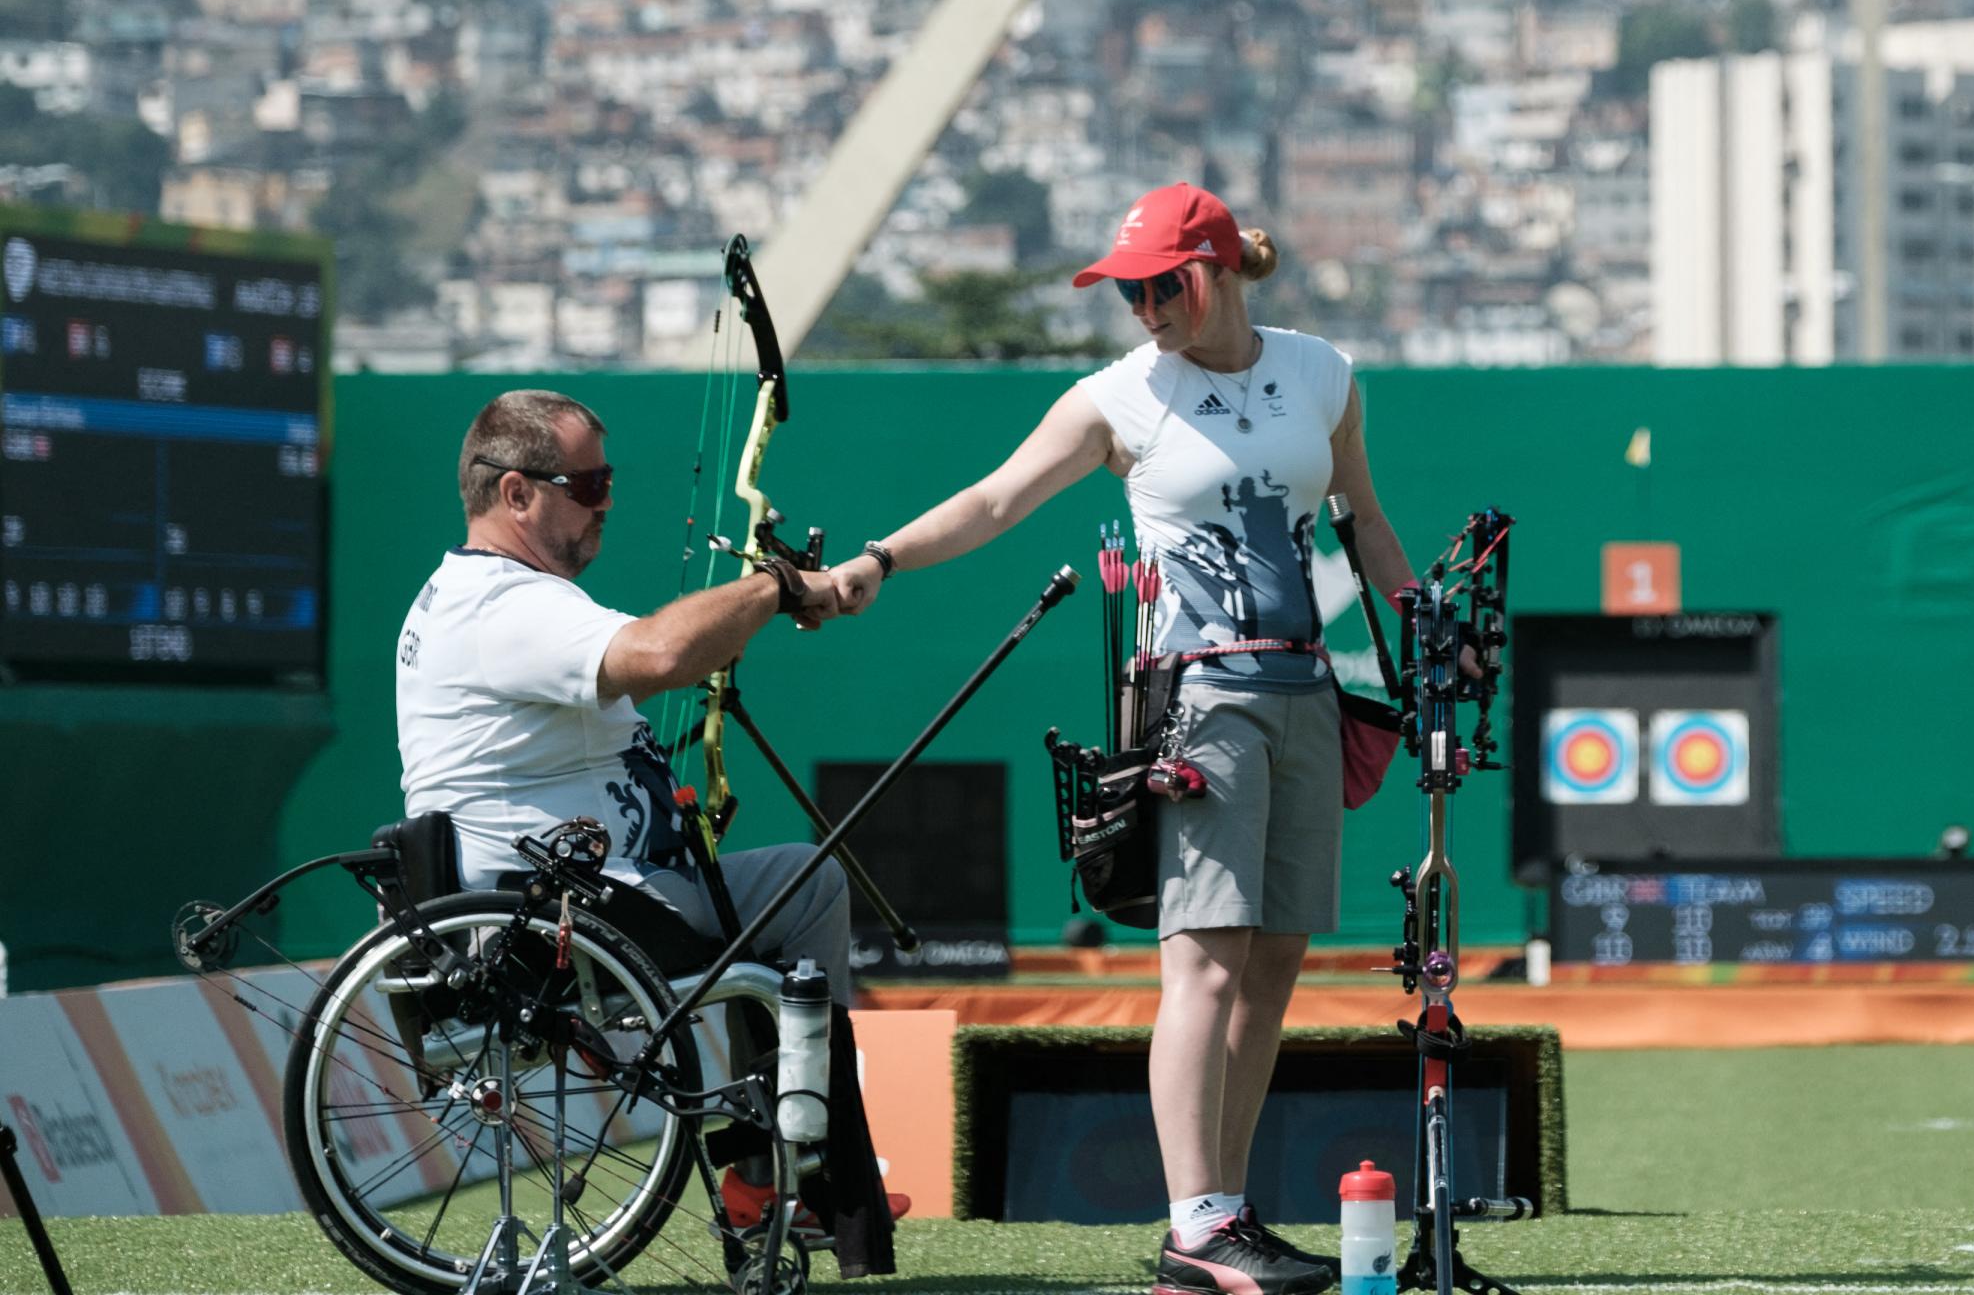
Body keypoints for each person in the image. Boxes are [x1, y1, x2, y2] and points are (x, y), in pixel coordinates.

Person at [828, 181, 1415, 1295]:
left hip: (1308, 690)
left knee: (1277, 956)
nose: (1143, 306)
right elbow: (997, 498)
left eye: (1162, 283)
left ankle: (1225, 1216)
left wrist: (1418, 619)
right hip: (1196, 702)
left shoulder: (1322, 372)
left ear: (1220, 268)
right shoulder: (1116, 396)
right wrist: (876, 560)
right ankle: (1196, 1222)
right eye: (1128, 290)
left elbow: (1364, 518)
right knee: (1204, 956)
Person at [394, 387, 893, 1236]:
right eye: (588, 487)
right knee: (802, 890)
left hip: (575, 899)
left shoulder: (485, 596)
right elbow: (659, 651)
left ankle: (769, 1175)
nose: (608, 504)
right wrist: (773, 587)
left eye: (608, 481)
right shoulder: (504, 607)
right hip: (561, 920)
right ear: (516, 493)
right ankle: (797, 1182)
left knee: (799, 887)